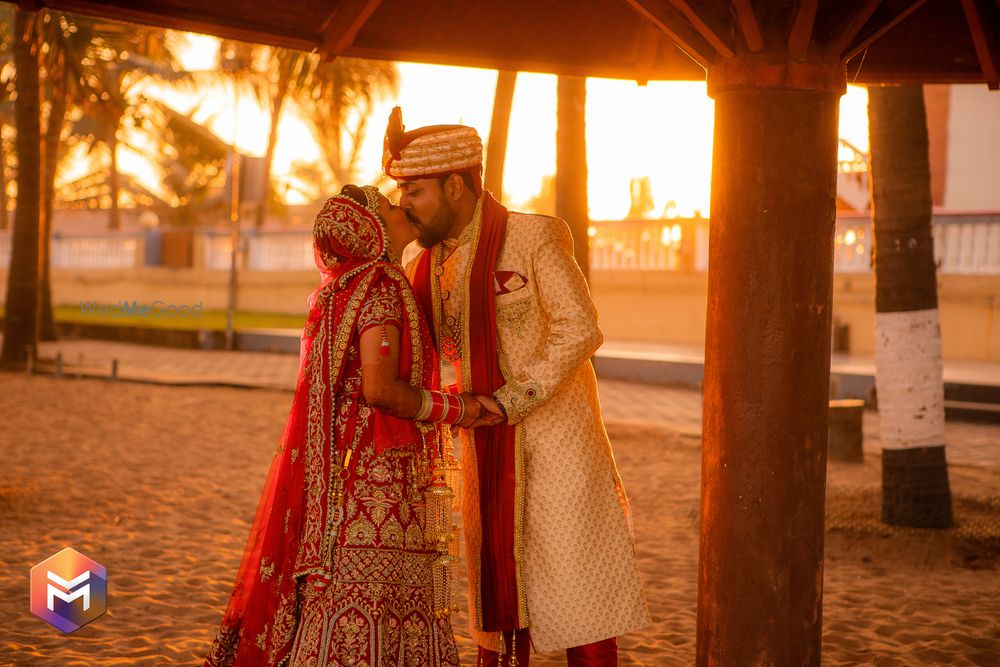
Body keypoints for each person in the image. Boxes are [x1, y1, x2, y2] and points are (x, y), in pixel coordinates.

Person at [386, 108, 650, 666]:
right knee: (497, 594)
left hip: (558, 445)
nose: (405, 203)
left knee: (581, 593)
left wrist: (509, 402)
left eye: (414, 190)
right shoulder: (418, 262)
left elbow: (580, 327)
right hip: (480, 449)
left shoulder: (532, 236)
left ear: (455, 185)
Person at [204, 184, 500, 667]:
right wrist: (462, 410)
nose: (401, 205)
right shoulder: (380, 284)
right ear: (374, 231)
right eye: (388, 205)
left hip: (349, 472)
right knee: (371, 596)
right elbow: (380, 389)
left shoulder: (344, 287)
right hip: (375, 477)